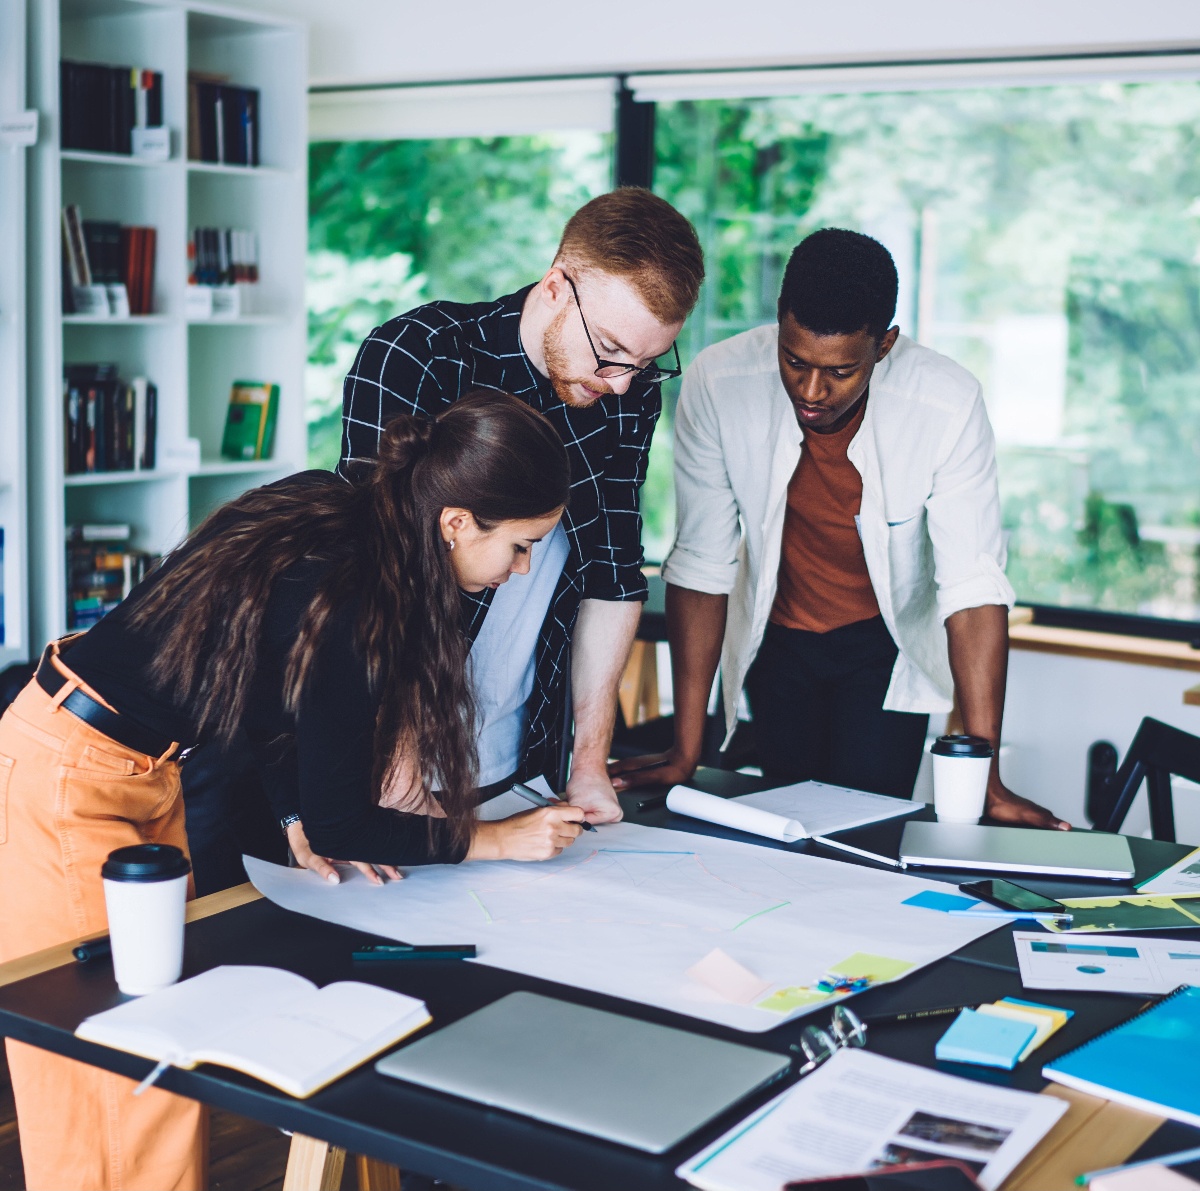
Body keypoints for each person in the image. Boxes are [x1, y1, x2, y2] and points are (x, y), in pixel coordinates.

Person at [0, 392, 583, 1191]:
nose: (520, 570)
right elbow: (351, 817)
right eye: (520, 546)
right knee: (115, 1078)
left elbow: (255, 675)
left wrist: (294, 814)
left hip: (136, 762)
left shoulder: (336, 516)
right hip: (76, 772)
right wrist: (492, 836)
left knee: (156, 1059)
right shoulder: (351, 593)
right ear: (456, 522)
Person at [270, 187, 704, 880]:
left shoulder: (627, 393)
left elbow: (615, 572)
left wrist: (587, 764)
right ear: (557, 285)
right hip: (387, 766)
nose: (624, 384)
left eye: (648, 362)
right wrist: (374, 781)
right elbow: (370, 577)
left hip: (520, 761)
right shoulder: (419, 355)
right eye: (613, 351)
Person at [612, 228, 1068, 830]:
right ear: (779, 321)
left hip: (884, 646)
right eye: (795, 361)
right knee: (784, 827)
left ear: (885, 346)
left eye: (840, 372)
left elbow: (972, 586)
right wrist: (686, 747)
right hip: (778, 638)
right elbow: (701, 563)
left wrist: (986, 778)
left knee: (870, 832)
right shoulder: (718, 382)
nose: (811, 390)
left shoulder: (946, 402)